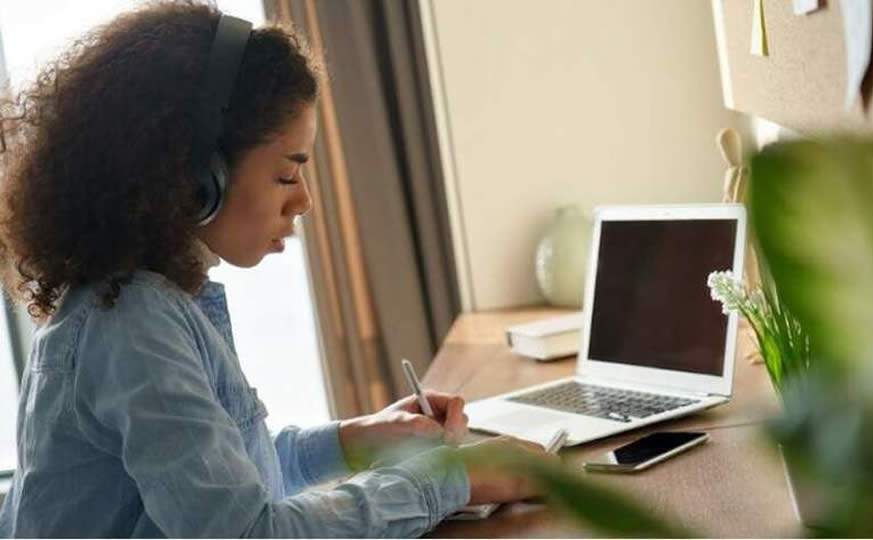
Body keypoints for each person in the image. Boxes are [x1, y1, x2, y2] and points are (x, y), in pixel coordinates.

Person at [0, 2, 544, 537]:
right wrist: (450, 478)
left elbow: (218, 481)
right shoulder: (133, 324)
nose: (304, 201)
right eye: (287, 175)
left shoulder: (142, 303)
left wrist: (358, 438)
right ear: (195, 177)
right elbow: (247, 532)